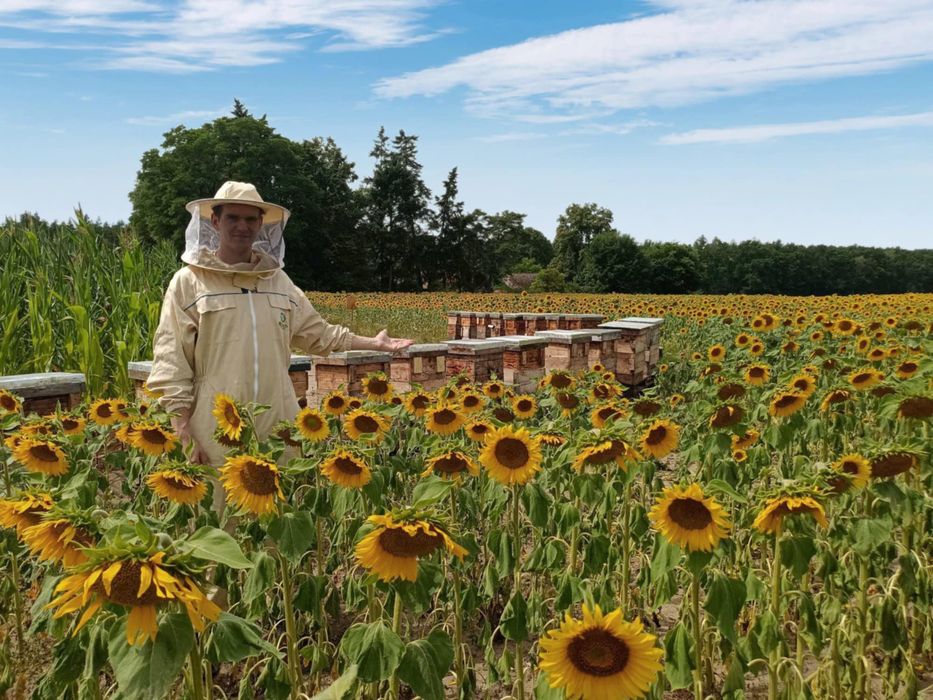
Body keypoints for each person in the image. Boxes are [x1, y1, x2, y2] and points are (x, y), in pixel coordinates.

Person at [147, 181, 413, 479]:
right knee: (221, 518)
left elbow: (319, 334)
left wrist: (375, 343)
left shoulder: (279, 282)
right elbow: (172, 363)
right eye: (233, 217)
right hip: (215, 427)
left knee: (278, 510)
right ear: (215, 220)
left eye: (250, 219)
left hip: (279, 422)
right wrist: (183, 431)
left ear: (261, 224)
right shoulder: (189, 282)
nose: (242, 227)